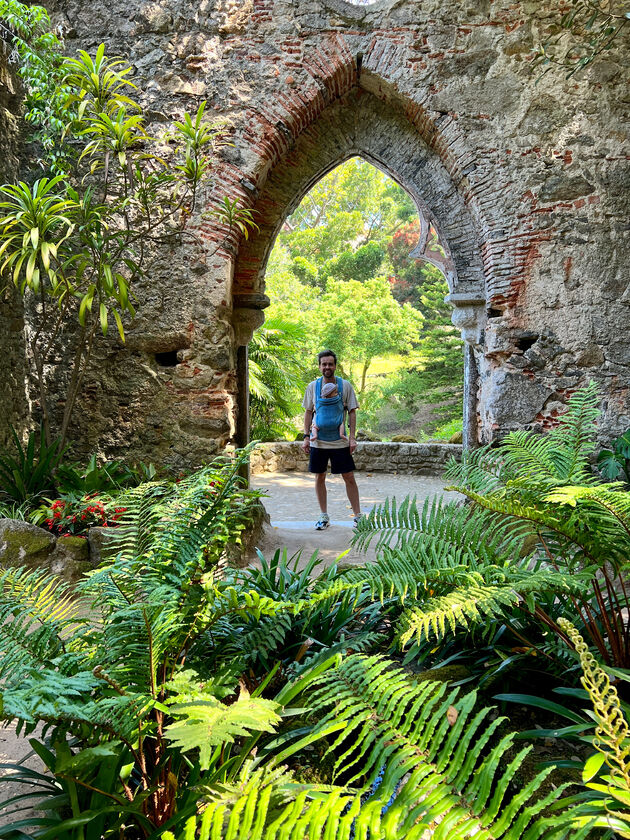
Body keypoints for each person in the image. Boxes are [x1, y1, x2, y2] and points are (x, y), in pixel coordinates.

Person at [302, 349, 361, 530]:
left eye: (330, 364)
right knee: (320, 477)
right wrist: (306, 437)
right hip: (318, 442)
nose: (327, 367)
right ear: (319, 366)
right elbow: (308, 412)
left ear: (335, 366)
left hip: (339, 442)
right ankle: (324, 516)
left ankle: (359, 517)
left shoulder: (345, 386)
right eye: (324, 364)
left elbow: (351, 412)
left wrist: (352, 438)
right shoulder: (313, 387)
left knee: (349, 477)